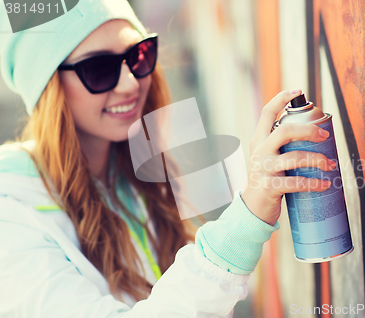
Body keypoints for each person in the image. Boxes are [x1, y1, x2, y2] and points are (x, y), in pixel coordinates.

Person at [0, 0, 334, 317]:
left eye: (138, 55)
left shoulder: (131, 176)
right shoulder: (11, 215)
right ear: (48, 87)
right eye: (98, 69)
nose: (130, 83)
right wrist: (248, 218)